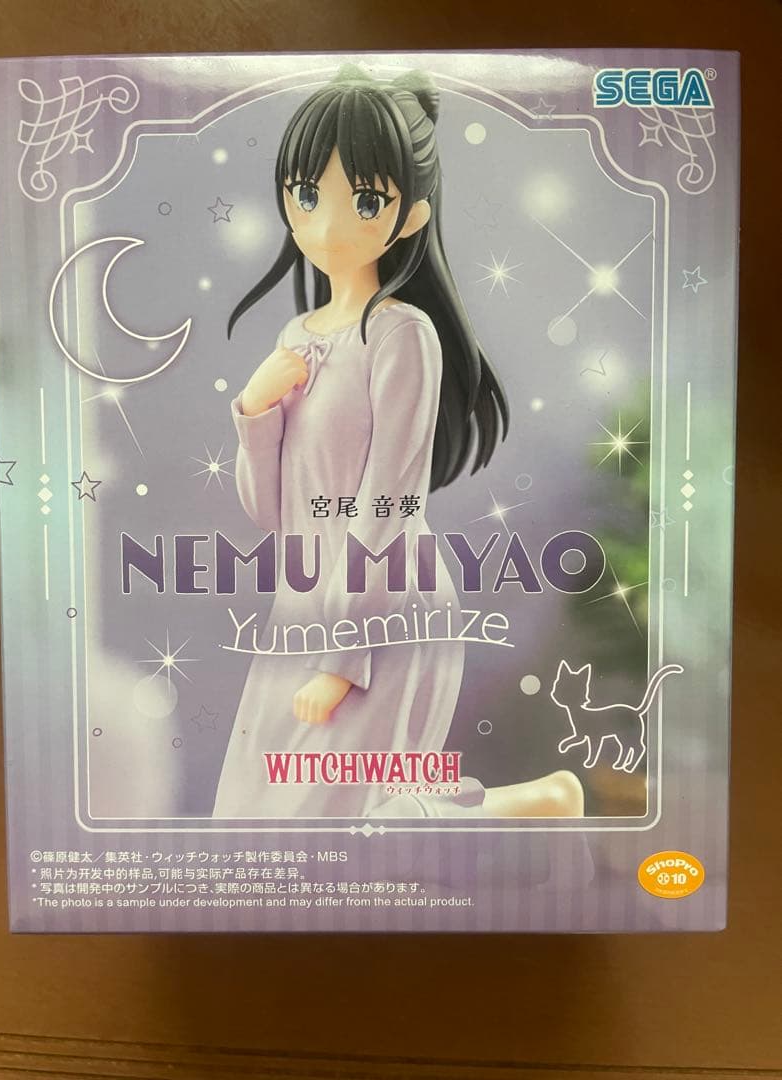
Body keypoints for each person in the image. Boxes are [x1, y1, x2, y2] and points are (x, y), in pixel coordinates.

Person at [212, 65, 583, 820]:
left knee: (341, 827)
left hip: (385, 609)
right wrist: (254, 409)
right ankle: (537, 805)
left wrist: (342, 661)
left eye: (365, 201)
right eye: (307, 195)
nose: (327, 225)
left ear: (410, 217)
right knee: (260, 819)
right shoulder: (295, 336)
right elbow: (270, 514)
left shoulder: (402, 336)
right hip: (304, 604)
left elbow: (389, 504)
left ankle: (537, 807)